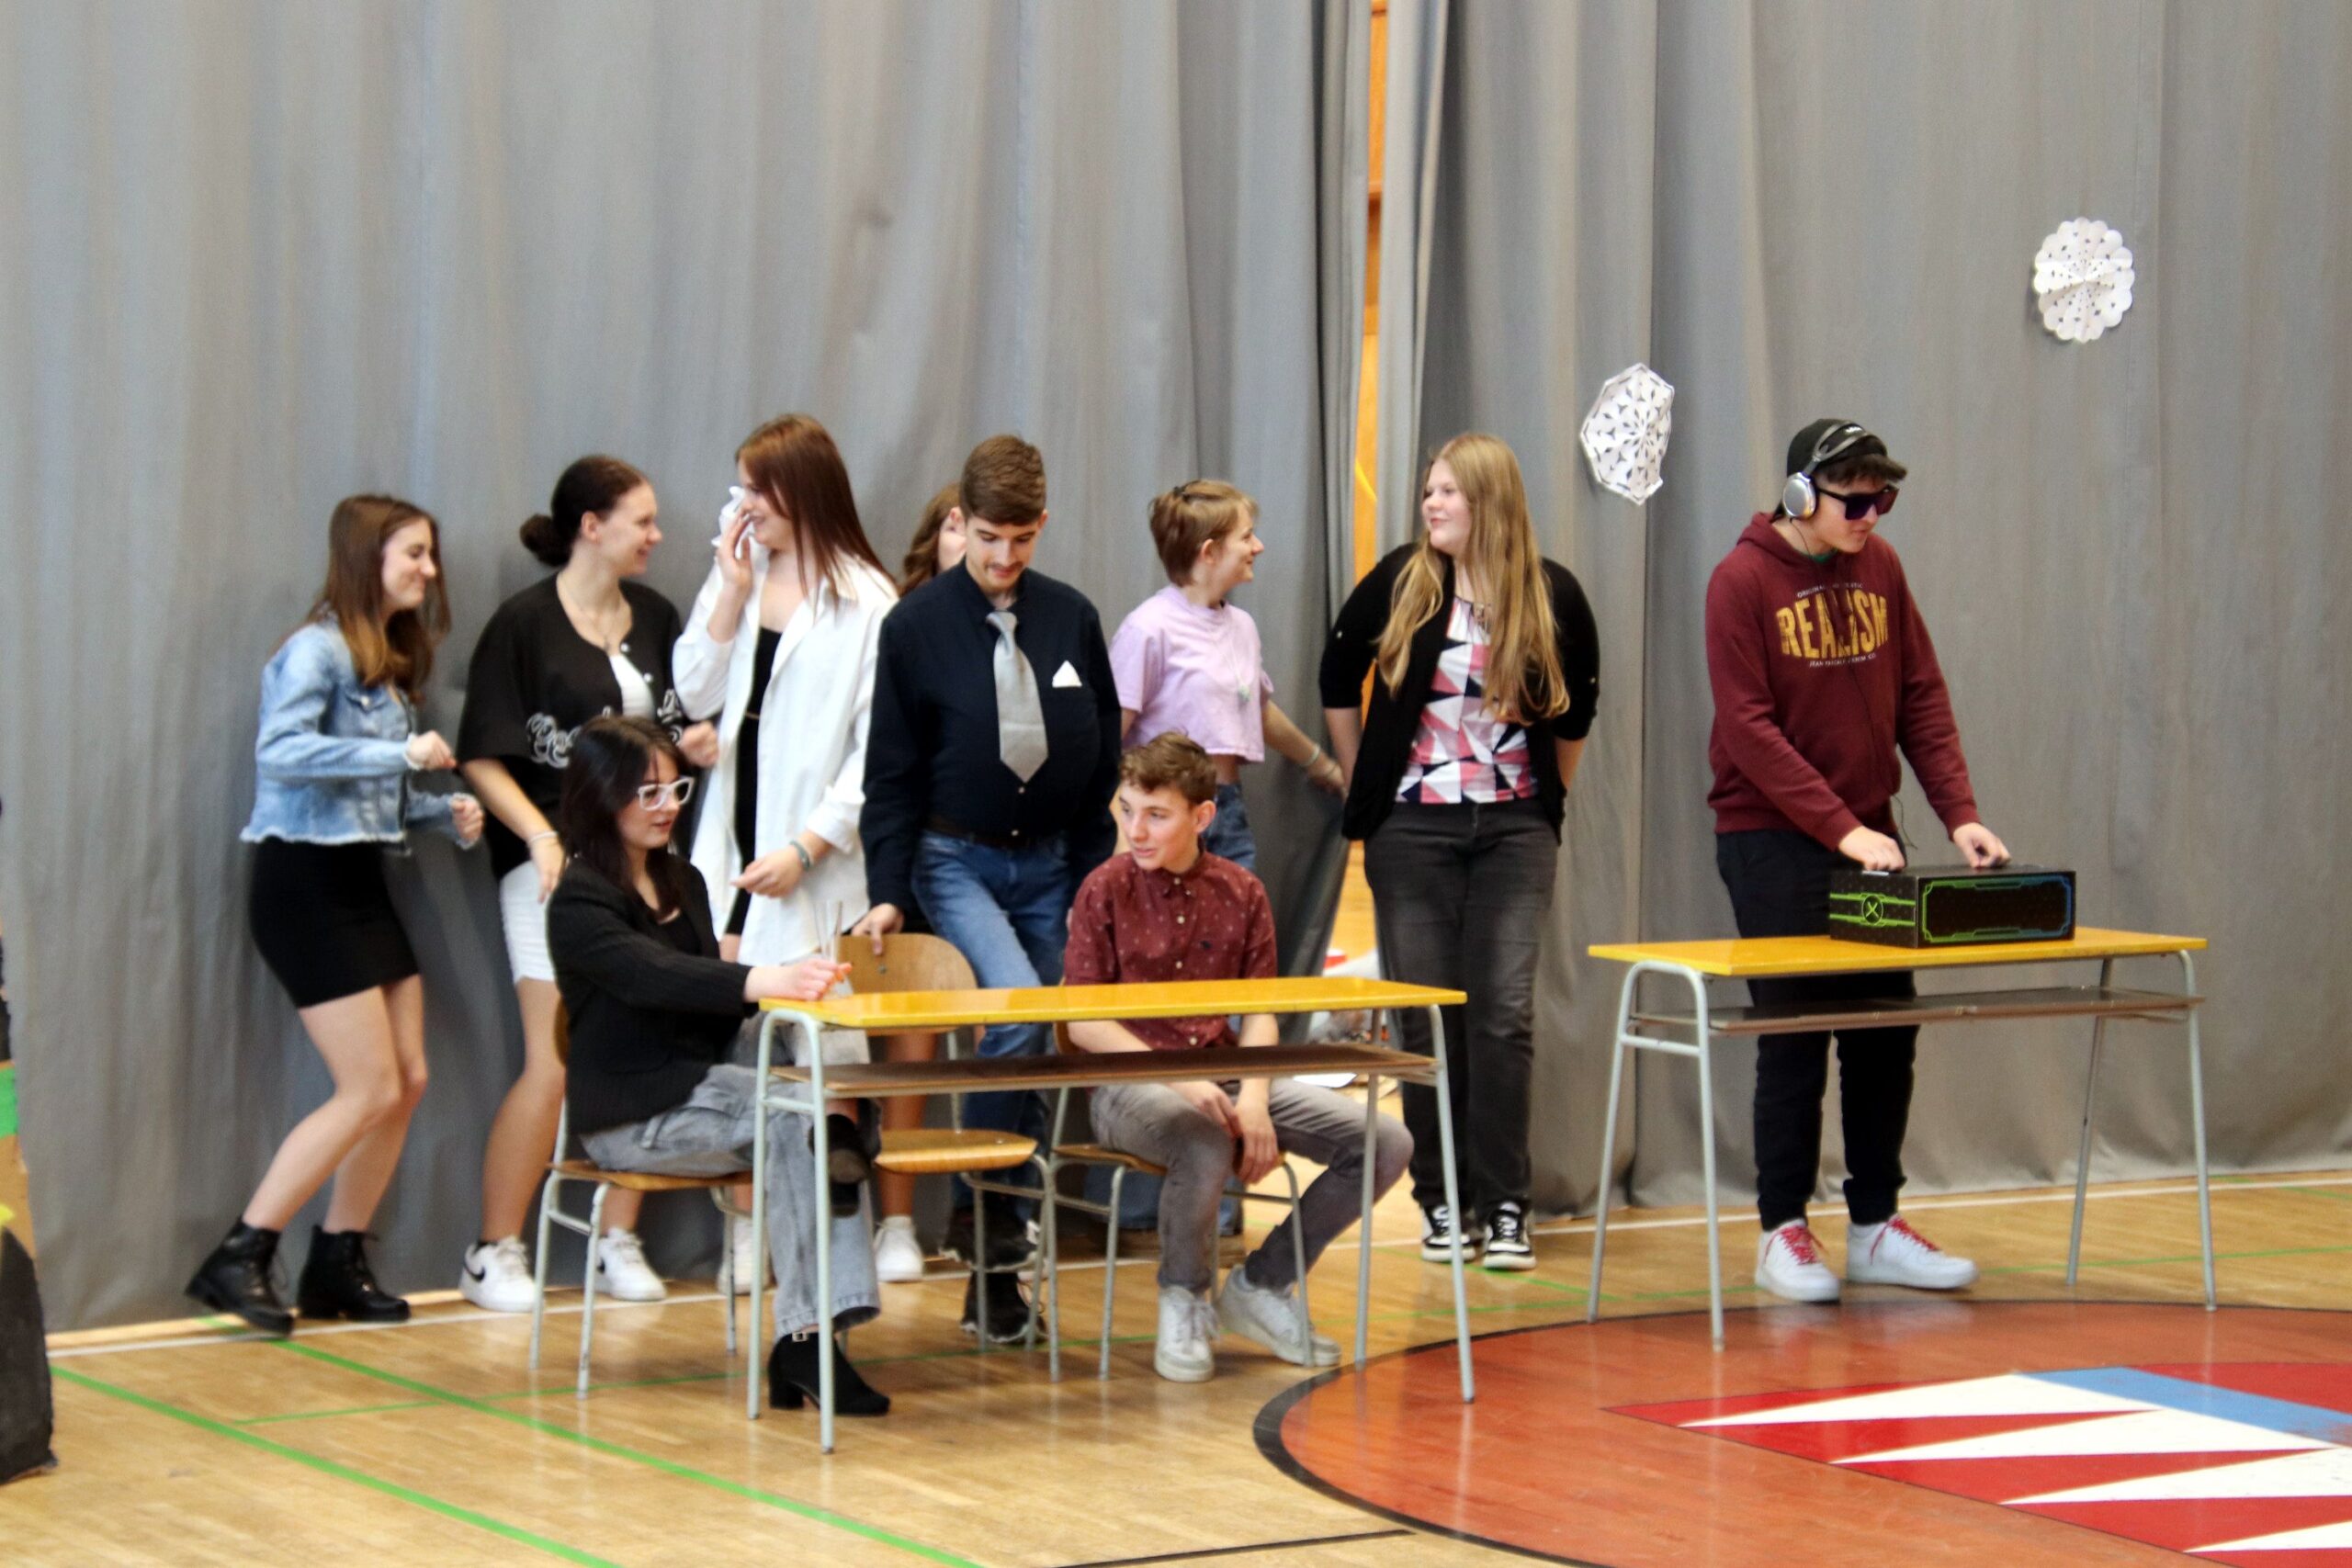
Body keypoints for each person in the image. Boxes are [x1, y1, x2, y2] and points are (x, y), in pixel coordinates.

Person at [1707, 418, 2007, 1303]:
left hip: (1866, 833)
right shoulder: (1740, 581)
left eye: (1884, 499)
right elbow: (1749, 730)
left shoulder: (1882, 568)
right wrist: (1841, 829)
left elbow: (1921, 695)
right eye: (1855, 500)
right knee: (1796, 1033)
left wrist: (1959, 813)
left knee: (1884, 1029)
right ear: (1801, 494)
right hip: (1769, 839)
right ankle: (1782, 1230)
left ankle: (1875, 1223)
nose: (1871, 515)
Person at [188, 494, 485, 1335]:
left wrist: (440, 812)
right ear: (368, 557)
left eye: (430, 554)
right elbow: (281, 753)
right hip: (305, 885)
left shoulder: (383, 660)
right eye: (414, 554)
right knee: (368, 1086)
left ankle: (336, 1261)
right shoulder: (314, 651)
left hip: (359, 880)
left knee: (408, 1079)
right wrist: (399, 751)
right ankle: (241, 1252)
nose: (429, 570)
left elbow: (368, 795)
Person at [855, 434, 1121, 1343]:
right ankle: (985, 1215)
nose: (1004, 558)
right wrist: (888, 887)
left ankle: (996, 1273)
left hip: (1051, 860)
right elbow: (890, 774)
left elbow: (1100, 753)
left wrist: (1091, 876)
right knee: (1014, 1010)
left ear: (1042, 525)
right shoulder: (915, 627)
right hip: (954, 857)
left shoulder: (1070, 618)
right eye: (988, 538)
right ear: (960, 522)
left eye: (1022, 539)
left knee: (1041, 1040)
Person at [544, 717, 888, 1415]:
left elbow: (710, 1007)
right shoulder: (579, 898)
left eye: (675, 789)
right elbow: (653, 976)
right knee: (793, 1118)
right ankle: (808, 1339)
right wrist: (769, 979)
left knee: (820, 1020)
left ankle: (838, 1128)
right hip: (637, 1111)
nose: (667, 805)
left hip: (704, 1075)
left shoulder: (684, 879)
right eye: (647, 792)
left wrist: (794, 989)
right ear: (601, 796)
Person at [1320, 434, 1600, 1273]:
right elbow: (1337, 674)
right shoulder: (1405, 581)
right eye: (1428, 491)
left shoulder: (1551, 593)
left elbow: (1575, 715)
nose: (1431, 504)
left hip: (1514, 831)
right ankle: (1443, 1200)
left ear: (1489, 500)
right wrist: (1364, 779)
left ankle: (1506, 1203)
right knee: (1428, 1017)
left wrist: (1543, 803)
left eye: (1447, 492)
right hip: (1413, 832)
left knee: (1503, 1016)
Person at [1065, 734, 1411, 1382]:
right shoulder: (1103, 889)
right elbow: (1083, 1023)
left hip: (1223, 1073)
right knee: (1202, 1139)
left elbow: (1259, 1012)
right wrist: (1185, 1082)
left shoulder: (1242, 891)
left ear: (1203, 816)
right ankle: (1184, 1295)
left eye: (1156, 815)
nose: (1136, 830)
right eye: (1127, 810)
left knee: (1384, 1141)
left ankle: (1262, 1283)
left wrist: (1254, 1098)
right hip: (1127, 1084)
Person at [455, 457, 717, 1313]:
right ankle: (494, 1249)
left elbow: (674, 739)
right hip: (555, 873)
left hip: (648, 873)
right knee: (556, 1057)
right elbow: (481, 753)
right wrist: (539, 835)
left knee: (644, 1050)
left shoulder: (659, 617)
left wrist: (695, 749)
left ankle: (616, 1236)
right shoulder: (523, 626)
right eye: (642, 520)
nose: (657, 535)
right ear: (590, 527)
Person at [673, 414, 899, 1281]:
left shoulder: (867, 600)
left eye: (758, 488)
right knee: (736, 1051)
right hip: (730, 851)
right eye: (740, 486)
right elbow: (692, 689)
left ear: (801, 491)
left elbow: (873, 755)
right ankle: (749, 1232)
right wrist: (730, 592)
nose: (744, 504)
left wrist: (807, 848)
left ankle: (836, 1272)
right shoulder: (739, 570)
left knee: (825, 1064)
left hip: (813, 864)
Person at [1112, 480, 1344, 873]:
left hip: (1227, 810)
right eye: (1247, 537)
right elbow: (1110, 733)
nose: (1258, 547)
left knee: (1234, 910)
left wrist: (1320, 763)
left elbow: (1255, 709)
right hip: (1164, 814)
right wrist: (1123, 822)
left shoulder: (1242, 627)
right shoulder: (1148, 628)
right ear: (1210, 552)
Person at [898, 482, 966, 595]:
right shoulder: (909, 604)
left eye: (985, 535)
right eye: (954, 529)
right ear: (934, 543)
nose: (968, 541)